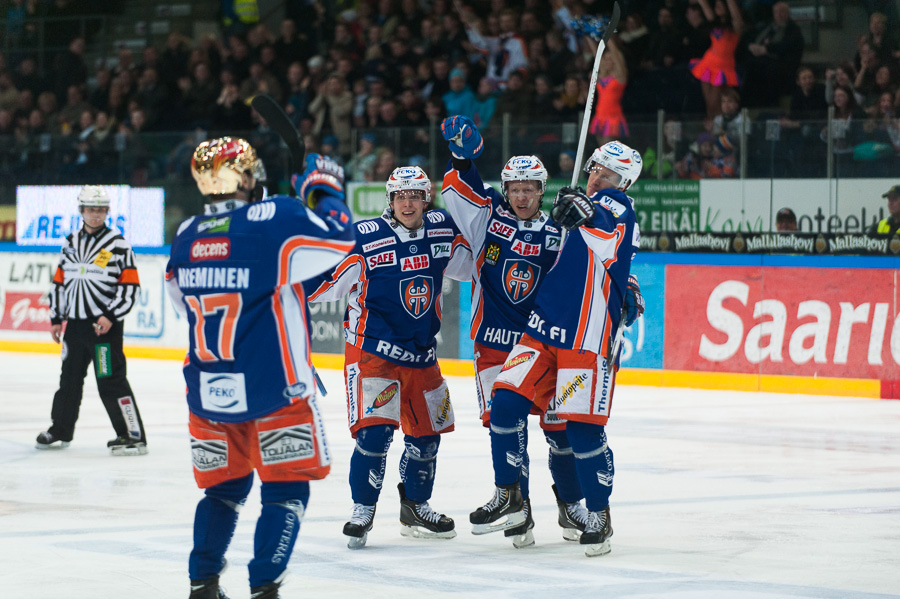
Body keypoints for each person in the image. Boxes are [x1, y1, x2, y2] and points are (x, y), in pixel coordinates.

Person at [166, 138, 355, 599]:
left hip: (209, 396)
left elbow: (178, 298)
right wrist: (322, 184)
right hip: (276, 393)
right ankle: (264, 587)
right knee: (286, 490)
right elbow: (342, 235)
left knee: (223, 491)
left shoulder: (187, 232)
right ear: (247, 177)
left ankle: (202, 584)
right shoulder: (275, 220)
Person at [469, 141, 645, 558]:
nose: (599, 178)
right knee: (506, 401)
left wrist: (586, 209)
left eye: (609, 174)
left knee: (581, 430)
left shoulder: (618, 208)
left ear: (624, 183)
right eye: (596, 169)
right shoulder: (569, 208)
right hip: (542, 330)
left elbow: (609, 223)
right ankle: (509, 492)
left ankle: (597, 513)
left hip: (586, 341)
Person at [440, 115, 592, 549]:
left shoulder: (559, 228)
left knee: (559, 430)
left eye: (529, 189)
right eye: (515, 188)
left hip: (546, 348)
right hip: (493, 347)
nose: (521, 196)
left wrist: (582, 222)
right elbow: (465, 186)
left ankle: (571, 504)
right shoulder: (487, 217)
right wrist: (461, 156)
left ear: (542, 191)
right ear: (504, 190)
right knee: (507, 427)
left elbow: (597, 265)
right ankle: (517, 506)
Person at [307, 166, 472, 549]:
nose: (408, 202)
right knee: (375, 433)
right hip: (371, 352)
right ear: (390, 199)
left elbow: (478, 263)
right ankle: (362, 509)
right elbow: (321, 285)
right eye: (400, 196)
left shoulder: (442, 229)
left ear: (427, 198)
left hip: (421, 355)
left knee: (428, 437)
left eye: (415, 195)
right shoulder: (365, 239)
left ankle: (415, 505)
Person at [37, 185, 147, 456]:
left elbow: (129, 286)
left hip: (102, 330)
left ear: (107, 212)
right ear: (81, 211)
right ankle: (60, 429)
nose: (95, 214)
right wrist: (56, 317)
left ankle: (132, 434)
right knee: (69, 380)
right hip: (74, 326)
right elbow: (60, 282)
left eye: (100, 210)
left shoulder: (118, 244)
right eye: (90, 209)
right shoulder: (70, 242)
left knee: (110, 380)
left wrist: (110, 316)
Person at [690, 0, 744, 118]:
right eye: (716, 5)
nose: (717, 7)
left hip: (723, 67)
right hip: (708, 63)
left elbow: (736, 17)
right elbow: (705, 6)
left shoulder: (735, 27)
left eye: (720, 5)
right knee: (709, 104)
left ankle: (720, 131)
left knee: (717, 103)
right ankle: (713, 132)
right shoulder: (715, 23)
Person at [589, 36, 629, 146]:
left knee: (606, 150)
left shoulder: (620, 76)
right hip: (600, 115)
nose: (607, 61)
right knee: (600, 150)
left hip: (612, 117)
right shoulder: (603, 75)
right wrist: (586, 34)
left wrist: (609, 36)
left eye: (610, 59)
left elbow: (616, 54)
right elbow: (595, 53)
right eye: (605, 59)